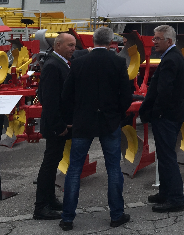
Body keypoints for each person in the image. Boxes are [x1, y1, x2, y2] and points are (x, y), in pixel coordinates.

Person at [59, 27, 133, 231]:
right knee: (113, 169)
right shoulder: (118, 62)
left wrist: (77, 113)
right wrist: (117, 114)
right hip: (109, 121)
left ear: (93, 40)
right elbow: (126, 95)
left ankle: (67, 218)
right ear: (111, 42)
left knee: (74, 169)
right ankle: (116, 214)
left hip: (84, 121)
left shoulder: (79, 62)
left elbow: (66, 95)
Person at [139, 25, 184, 213]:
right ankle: (165, 192)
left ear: (168, 41)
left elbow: (164, 91)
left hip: (166, 117)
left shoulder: (170, 59)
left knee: (167, 157)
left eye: (157, 39)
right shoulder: (173, 56)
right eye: (154, 39)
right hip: (171, 115)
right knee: (164, 155)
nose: (154, 42)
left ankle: (175, 198)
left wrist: (156, 113)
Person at [33, 33, 77, 220]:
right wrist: (59, 126)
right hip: (55, 126)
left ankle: (50, 199)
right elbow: (49, 100)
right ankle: (41, 206)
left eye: (74, 45)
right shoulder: (53, 66)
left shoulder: (59, 63)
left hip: (58, 124)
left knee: (53, 162)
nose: (73, 49)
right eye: (70, 45)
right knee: (49, 164)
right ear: (58, 45)